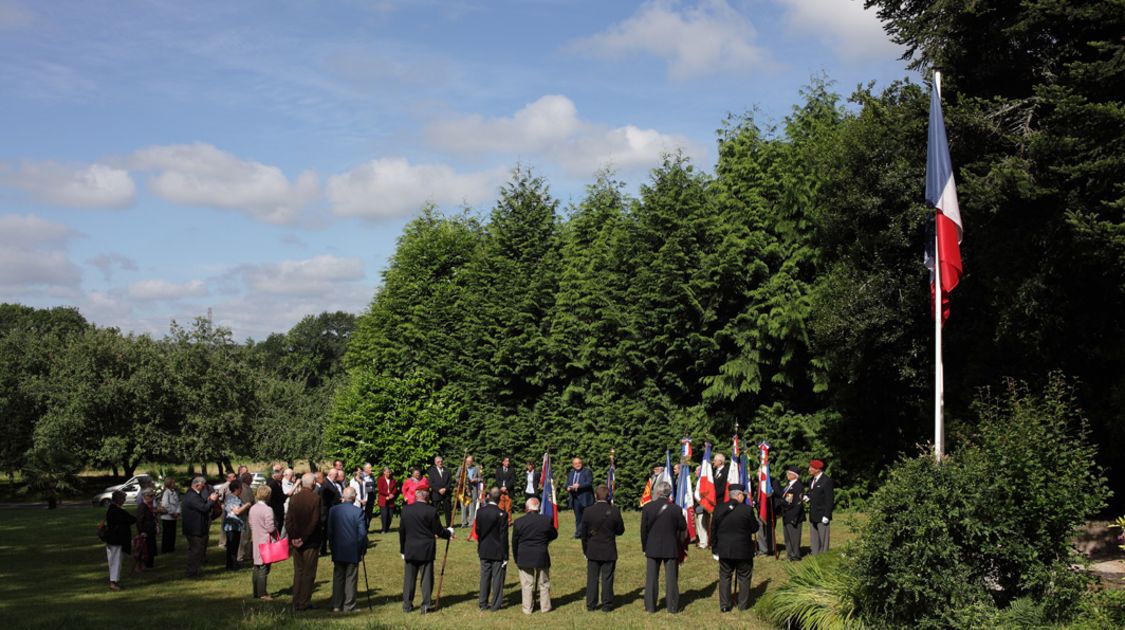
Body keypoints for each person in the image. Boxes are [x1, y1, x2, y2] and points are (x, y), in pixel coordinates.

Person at [399, 488, 454, 613]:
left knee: (409, 579)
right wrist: (449, 532)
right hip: (426, 549)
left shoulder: (406, 510)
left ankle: (407, 605)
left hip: (411, 548)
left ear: (417, 497)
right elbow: (438, 531)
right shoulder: (431, 511)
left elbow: (402, 531)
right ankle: (425, 605)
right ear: (427, 498)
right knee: (426, 579)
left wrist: (402, 550)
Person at [712, 484, 759, 612]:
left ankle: (724, 605)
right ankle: (742, 605)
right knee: (744, 576)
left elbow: (713, 530)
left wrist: (715, 549)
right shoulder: (747, 510)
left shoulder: (719, 508)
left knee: (725, 576)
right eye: (743, 495)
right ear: (738, 495)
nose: (743, 497)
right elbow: (755, 528)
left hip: (725, 549)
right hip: (743, 550)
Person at [640, 481, 685, 614]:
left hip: (652, 546)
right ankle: (672, 607)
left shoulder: (648, 508)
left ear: (657, 492)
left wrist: (645, 547)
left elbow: (644, 530)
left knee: (651, 578)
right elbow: (683, 527)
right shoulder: (676, 509)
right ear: (669, 493)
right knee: (671, 578)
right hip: (670, 546)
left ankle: (650, 606)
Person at [579, 484, 624, 612]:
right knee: (607, 577)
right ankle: (607, 604)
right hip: (609, 549)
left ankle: (591, 604)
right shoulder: (614, 511)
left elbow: (584, 535)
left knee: (592, 578)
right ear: (608, 496)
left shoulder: (588, 511)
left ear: (595, 496)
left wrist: (585, 550)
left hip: (592, 549)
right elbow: (620, 530)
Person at [512, 497, 557, 614]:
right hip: (541, 554)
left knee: (527, 584)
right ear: (538, 508)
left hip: (524, 555)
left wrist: (517, 558)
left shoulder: (518, 522)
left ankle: (527, 608)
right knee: (544, 583)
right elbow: (554, 534)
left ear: (526, 508)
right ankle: (545, 607)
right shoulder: (546, 520)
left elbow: (514, 543)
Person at [327, 486, 367, 613]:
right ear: (354, 497)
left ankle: (336, 605)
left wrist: (332, 546)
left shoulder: (333, 510)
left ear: (343, 497)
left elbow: (330, 531)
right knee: (350, 578)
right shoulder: (358, 512)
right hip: (352, 549)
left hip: (338, 548)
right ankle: (348, 605)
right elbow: (362, 534)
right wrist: (362, 549)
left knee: (338, 577)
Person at [286, 472, 322, 611]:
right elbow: (314, 521)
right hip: (310, 541)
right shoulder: (315, 498)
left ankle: (296, 600)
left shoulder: (294, 498)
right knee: (308, 572)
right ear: (313, 483)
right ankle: (304, 602)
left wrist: (294, 537)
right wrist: (303, 538)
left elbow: (288, 520)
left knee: (298, 571)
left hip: (297, 540)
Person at [475, 487, 509, 612]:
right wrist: (505, 555)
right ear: (500, 498)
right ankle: (495, 605)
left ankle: (483, 603)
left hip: (484, 548)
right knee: (497, 578)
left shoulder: (480, 512)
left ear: (488, 496)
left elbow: (478, 531)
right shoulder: (502, 514)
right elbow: (503, 536)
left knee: (485, 577)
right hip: (497, 550)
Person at [182, 476, 218, 578]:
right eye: (203, 486)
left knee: (195, 550)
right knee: (195, 551)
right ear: (197, 485)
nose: (204, 488)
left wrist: (208, 500)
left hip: (195, 527)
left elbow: (201, 505)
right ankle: (192, 572)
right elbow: (204, 508)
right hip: (194, 528)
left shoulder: (193, 494)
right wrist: (212, 500)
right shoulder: (192, 496)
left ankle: (194, 570)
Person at [249, 484, 277, 600]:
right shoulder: (268, 509)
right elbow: (270, 528)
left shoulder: (253, 508)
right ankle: (262, 593)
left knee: (256, 566)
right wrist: (276, 527)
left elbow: (250, 523)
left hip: (255, 538)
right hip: (265, 540)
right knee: (264, 567)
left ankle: (256, 591)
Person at [103, 490, 136, 591]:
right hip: (116, 539)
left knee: (114, 561)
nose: (124, 501)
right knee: (116, 561)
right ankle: (113, 582)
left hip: (113, 538)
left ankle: (115, 581)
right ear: (119, 499)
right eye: (123, 499)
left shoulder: (112, 510)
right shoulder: (117, 511)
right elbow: (131, 519)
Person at [806, 459, 834, 555]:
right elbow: (813, 493)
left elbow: (829, 500)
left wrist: (827, 515)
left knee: (823, 539)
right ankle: (815, 555)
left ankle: (824, 557)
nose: (809, 469)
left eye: (811, 468)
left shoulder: (826, 481)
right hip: (813, 514)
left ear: (817, 469)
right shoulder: (812, 480)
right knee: (814, 538)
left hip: (822, 515)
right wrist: (808, 497)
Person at [777, 465, 805, 561]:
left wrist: (794, 517)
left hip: (793, 515)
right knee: (787, 537)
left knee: (794, 537)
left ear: (794, 475)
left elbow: (797, 504)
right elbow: (785, 497)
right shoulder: (788, 484)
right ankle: (789, 554)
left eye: (789, 473)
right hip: (786, 514)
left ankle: (796, 555)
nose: (787, 474)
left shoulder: (798, 486)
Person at [222, 480, 251, 570]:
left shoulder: (237, 498)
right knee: (232, 546)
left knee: (235, 546)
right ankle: (231, 565)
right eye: (240, 488)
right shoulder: (231, 498)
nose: (241, 490)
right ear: (236, 489)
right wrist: (246, 505)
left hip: (237, 526)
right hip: (231, 526)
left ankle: (233, 564)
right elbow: (236, 511)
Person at [566, 457, 594, 539]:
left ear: (582, 463)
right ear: (573, 465)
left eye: (579, 463)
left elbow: (589, 483)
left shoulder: (587, 471)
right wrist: (568, 487)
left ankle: (589, 534)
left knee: (588, 518)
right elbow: (567, 483)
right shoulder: (570, 473)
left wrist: (579, 485)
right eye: (575, 463)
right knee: (578, 518)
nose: (577, 465)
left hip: (585, 498)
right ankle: (578, 534)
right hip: (575, 499)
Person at [754, 468, 779, 557]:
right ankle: (763, 549)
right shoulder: (760, 482)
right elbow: (758, 495)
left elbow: (778, 494)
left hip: (770, 509)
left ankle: (771, 548)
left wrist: (771, 493)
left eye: (759, 471)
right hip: (760, 509)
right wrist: (754, 501)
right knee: (761, 529)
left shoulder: (773, 481)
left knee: (770, 529)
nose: (757, 473)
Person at [320, 469, 343, 556]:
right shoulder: (326, 484)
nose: (337, 476)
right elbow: (328, 499)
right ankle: (323, 550)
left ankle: (329, 548)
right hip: (327, 511)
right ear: (331, 475)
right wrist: (339, 499)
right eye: (336, 475)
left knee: (330, 531)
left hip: (332, 510)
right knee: (325, 531)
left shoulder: (332, 483)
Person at [135, 488, 158, 571]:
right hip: (145, 531)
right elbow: (139, 520)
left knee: (151, 547)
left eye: (153, 496)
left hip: (151, 530)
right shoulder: (142, 506)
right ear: (145, 496)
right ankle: (142, 565)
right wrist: (142, 531)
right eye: (150, 496)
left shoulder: (150, 506)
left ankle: (149, 564)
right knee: (144, 549)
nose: (152, 498)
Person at [457, 455, 483, 529]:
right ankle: (464, 523)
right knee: (463, 506)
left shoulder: (476, 468)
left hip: (473, 489)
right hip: (463, 490)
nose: (468, 463)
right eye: (467, 461)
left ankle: (471, 523)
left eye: (470, 461)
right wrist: (461, 481)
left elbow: (481, 479)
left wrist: (476, 479)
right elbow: (456, 477)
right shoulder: (461, 468)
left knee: (472, 506)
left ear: (472, 462)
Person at [427, 456, 452, 525]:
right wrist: (438, 490)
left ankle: (449, 525)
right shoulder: (431, 471)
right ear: (435, 463)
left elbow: (450, 482)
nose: (440, 463)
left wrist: (445, 489)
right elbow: (430, 483)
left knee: (447, 510)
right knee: (436, 511)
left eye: (441, 461)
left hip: (446, 494)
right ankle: (437, 525)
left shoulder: (447, 470)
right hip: (436, 494)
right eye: (438, 462)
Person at [237, 473, 256, 563]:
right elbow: (248, 502)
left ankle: (246, 555)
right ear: (247, 479)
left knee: (246, 537)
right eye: (250, 479)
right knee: (244, 537)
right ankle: (241, 556)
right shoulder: (245, 489)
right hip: (245, 515)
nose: (252, 480)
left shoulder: (245, 487)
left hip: (246, 514)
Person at [159, 477, 181, 554]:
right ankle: (166, 549)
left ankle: (171, 548)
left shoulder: (174, 492)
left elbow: (178, 503)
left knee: (172, 533)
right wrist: (172, 513)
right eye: (173, 483)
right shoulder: (166, 492)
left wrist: (178, 512)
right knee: (167, 534)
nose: (175, 484)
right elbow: (165, 504)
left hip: (173, 516)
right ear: (169, 484)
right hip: (167, 517)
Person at [693, 463, 710, 549]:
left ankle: (704, 542)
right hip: (697, 506)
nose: (695, 472)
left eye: (696, 470)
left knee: (703, 525)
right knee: (699, 525)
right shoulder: (698, 481)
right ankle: (702, 541)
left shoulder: (703, 481)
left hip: (702, 506)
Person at [377, 467, 398, 533]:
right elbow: (380, 490)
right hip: (383, 499)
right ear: (384, 472)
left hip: (391, 499)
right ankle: (383, 529)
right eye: (387, 472)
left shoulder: (392, 480)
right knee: (384, 515)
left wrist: (392, 494)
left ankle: (387, 528)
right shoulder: (380, 479)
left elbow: (395, 489)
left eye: (389, 472)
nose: (388, 473)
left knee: (390, 515)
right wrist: (388, 494)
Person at [266, 465, 286, 535]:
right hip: (275, 511)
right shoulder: (272, 484)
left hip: (278, 511)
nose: (282, 476)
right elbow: (280, 497)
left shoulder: (277, 482)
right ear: (276, 474)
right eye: (281, 475)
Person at [361, 463, 377, 529]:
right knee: (364, 513)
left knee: (369, 514)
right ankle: (363, 528)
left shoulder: (372, 476)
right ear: (365, 469)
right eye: (370, 468)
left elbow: (374, 485)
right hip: (364, 497)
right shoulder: (361, 476)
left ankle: (367, 528)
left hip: (371, 496)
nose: (371, 469)